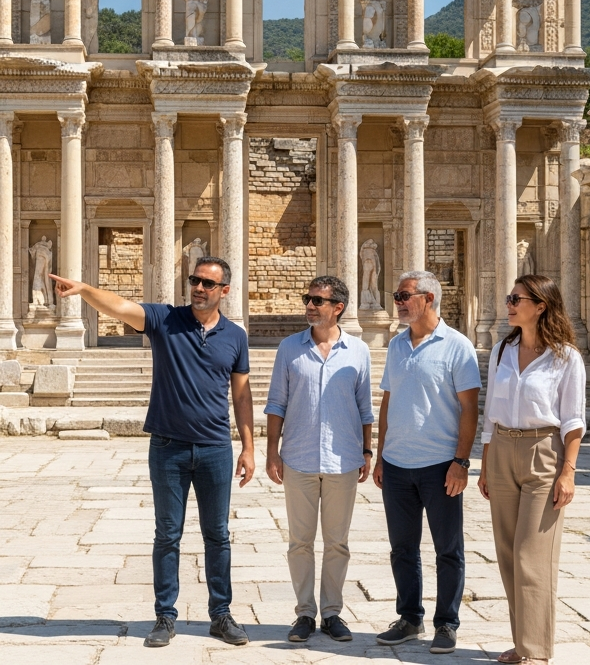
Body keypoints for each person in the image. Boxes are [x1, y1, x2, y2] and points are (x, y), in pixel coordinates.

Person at [49, 257, 254, 648]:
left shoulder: (235, 336)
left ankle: (221, 615)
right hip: (168, 447)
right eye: (194, 280)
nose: (198, 287)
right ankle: (165, 616)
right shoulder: (166, 320)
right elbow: (122, 307)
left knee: (218, 536)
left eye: (208, 283)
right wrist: (85, 290)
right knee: (167, 534)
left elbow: (241, 395)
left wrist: (248, 446)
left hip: (214, 448)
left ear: (224, 290)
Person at [477, 275, 586, 665]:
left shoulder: (565, 357)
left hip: (544, 451)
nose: (508, 304)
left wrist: (568, 472)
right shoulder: (503, 351)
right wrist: (485, 464)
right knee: (507, 554)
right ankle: (523, 642)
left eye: (516, 299)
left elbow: (573, 420)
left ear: (540, 306)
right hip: (502, 448)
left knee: (532, 555)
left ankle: (537, 652)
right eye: (510, 298)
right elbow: (490, 412)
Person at [373, 270, 480, 653]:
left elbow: (470, 408)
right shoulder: (398, 346)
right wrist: (381, 454)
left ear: (428, 299)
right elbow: (388, 401)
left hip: (440, 465)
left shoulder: (457, 346)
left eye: (404, 295)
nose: (398, 302)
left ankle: (447, 623)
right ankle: (409, 618)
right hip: (398, 464)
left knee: (447, 549)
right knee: (402, 548)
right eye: (397, 295)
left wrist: (461, 462)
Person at [264, 276, 373, 643]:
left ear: (337, 307)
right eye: (307, 299)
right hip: (298, 457)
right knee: (300, 541)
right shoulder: (289, 349)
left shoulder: (358, 351)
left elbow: (364, 406)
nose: (309, 306)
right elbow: (276, 402)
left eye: (317, 301)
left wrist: (367, 450)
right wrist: (271, 453)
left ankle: (332, 612)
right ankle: (304, 613)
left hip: (343, 458)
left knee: (337, 542)